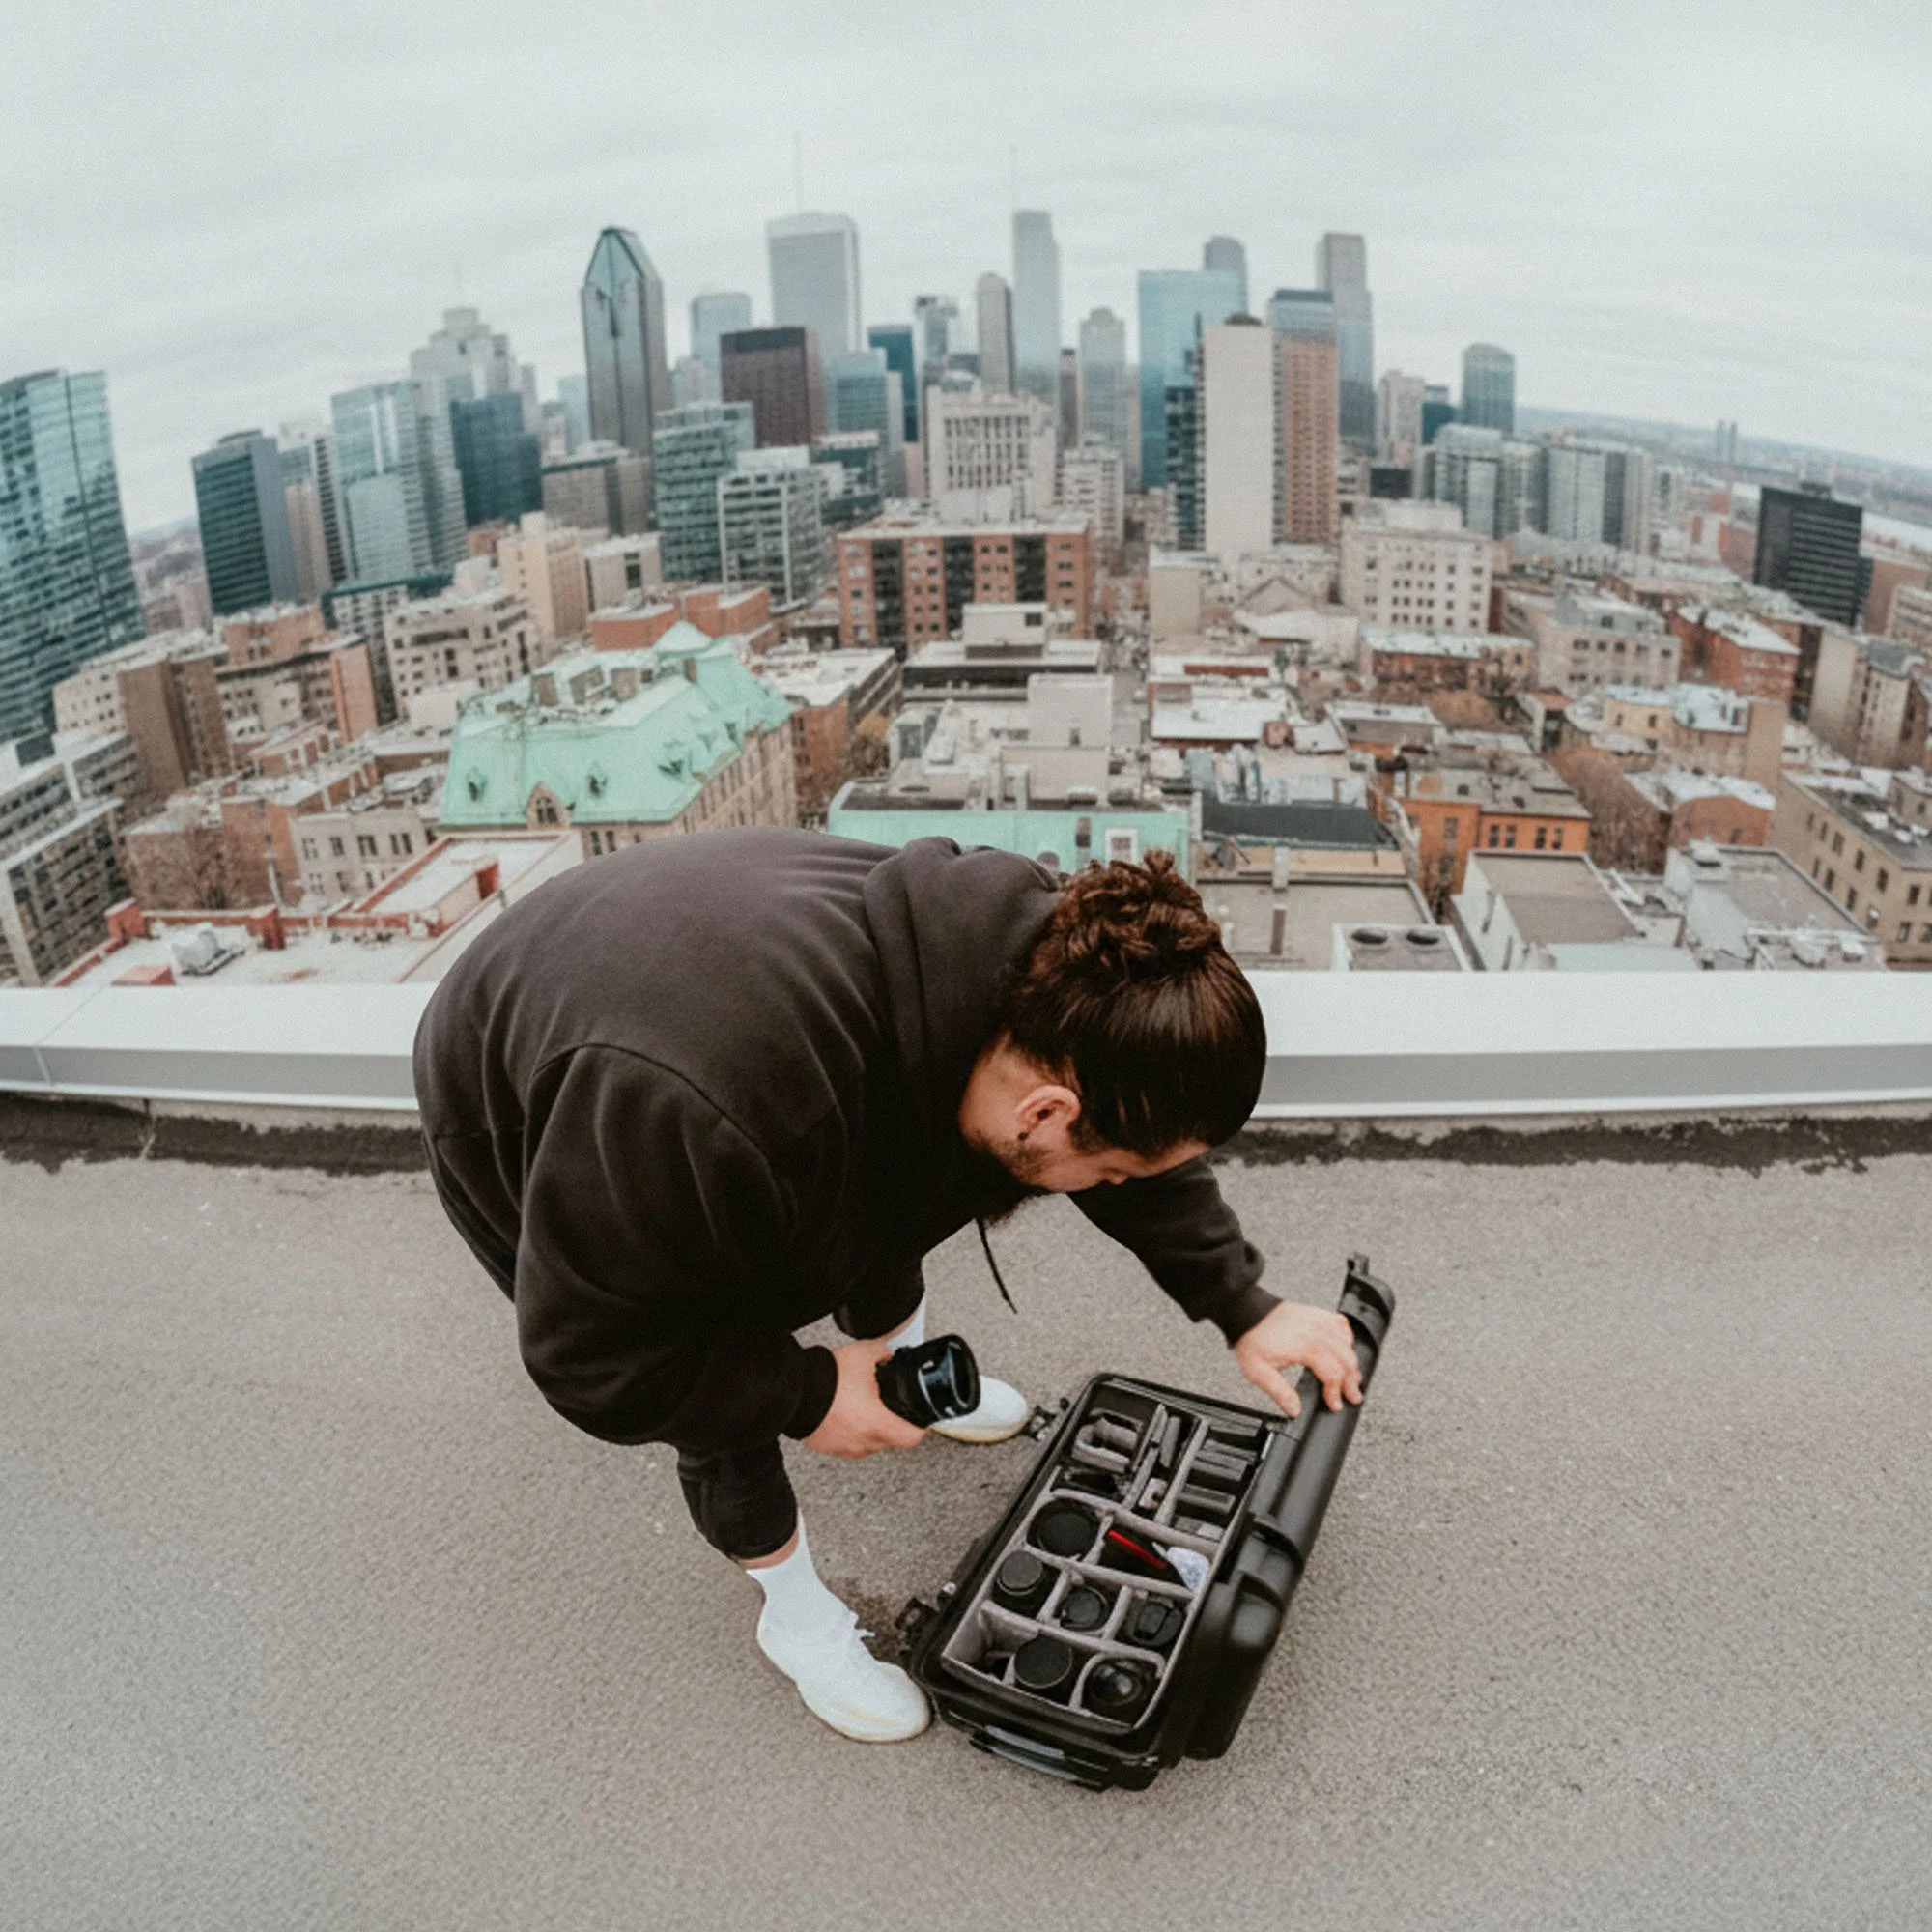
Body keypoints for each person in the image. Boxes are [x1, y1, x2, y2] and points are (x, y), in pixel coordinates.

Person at [414, 830, 1362, 1744]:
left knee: (889, 1172)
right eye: (1109, 1172)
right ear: (1047, 1109)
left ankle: (902, 1370)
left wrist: (1244, 1302)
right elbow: (598, 1353)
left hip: (695, 987)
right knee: (717, 1334)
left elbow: (1124, 1143)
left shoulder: (1047, 984)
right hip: (540, 1076)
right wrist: (811, 1392)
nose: (1117, 1186)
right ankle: (792, 1616)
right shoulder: (712, 1113)